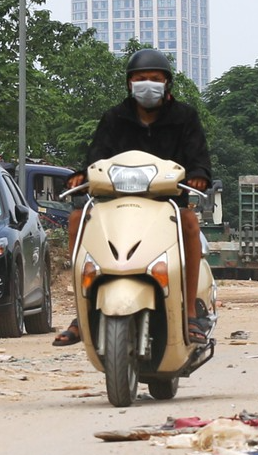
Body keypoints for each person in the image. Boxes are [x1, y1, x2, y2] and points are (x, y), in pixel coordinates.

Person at [53, 49, 214, 346]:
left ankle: (190, 312)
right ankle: (81, 313)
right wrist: (82, 176)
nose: (147, 84)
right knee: (78, 219)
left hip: (167, 203)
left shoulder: (185, 117)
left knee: (189, 222)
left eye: (155, 78)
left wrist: (199, 175)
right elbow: (96, 157)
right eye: (140, 79)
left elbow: (199, 158)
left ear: (167, 84)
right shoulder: (114, 117)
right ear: (129, 84)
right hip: (116, 203)